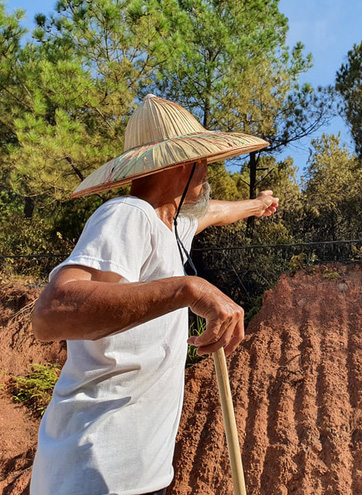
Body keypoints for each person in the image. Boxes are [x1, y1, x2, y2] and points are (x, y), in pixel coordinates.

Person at [29, 94, 277, 495]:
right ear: (183, 163)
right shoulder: (127, 214)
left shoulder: (170, 227)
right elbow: (51, 313)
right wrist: (187, 287)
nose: (207, 175)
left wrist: (258, 204)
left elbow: (214, 212)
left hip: (137, 475)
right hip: (92, 472)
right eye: (205, 165)